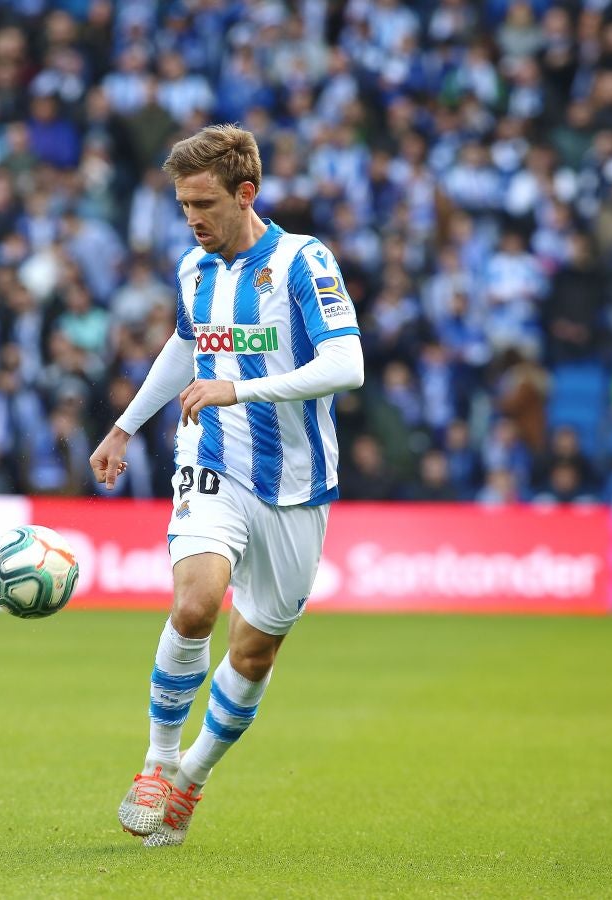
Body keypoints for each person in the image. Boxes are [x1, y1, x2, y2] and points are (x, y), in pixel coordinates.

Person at [88, 125, 364, 847]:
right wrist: (123, 426)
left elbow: (347, 365)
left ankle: (192, 777)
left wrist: (240, 388)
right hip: (211, 459)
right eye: (183, 205)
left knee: (253, 655)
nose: (192, 219)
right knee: (195, 605)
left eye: (204, 203)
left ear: (246, 194)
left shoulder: (304, 262)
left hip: (297, 483)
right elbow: (187, 346)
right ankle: (158, 763)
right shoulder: (193, 269)